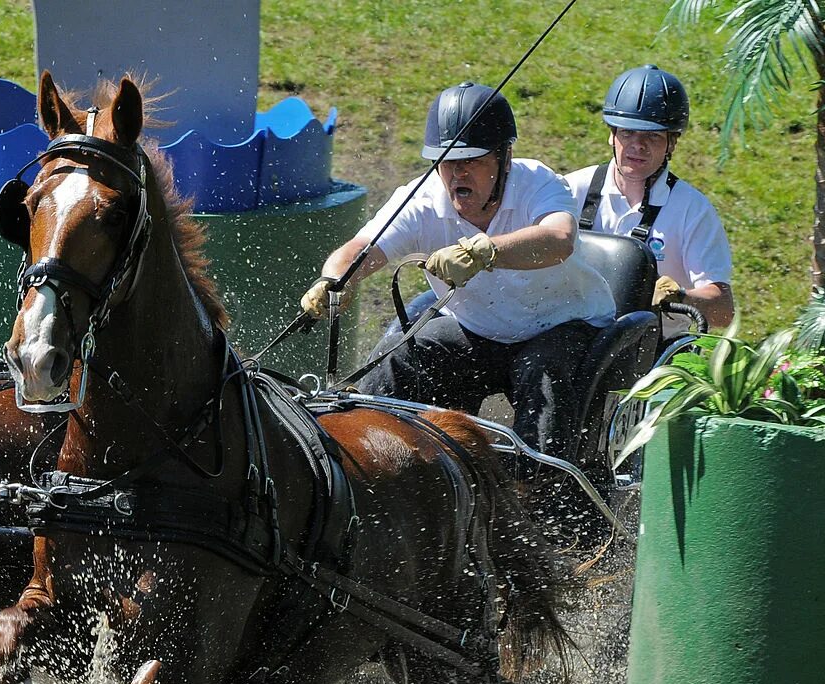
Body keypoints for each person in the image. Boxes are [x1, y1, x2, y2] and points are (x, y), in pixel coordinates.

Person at [300, 81, 612, 467]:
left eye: (473, 161)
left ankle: (540, 498)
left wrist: (486, 252)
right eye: (447, 161)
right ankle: (364, 469)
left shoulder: (539, 182)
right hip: (479, 329)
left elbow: (559, 239)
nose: (457, 173)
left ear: (504, 159)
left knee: (542, 371)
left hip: (564, 324)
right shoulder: (420, 200)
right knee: (401, 356)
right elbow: (359, 250)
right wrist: (334, 281)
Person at [564, 64, 734, 331]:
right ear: (612, 135)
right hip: (573, 336)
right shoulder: (572, 189)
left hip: (654, 348)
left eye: (652, 136)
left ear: (672, 143)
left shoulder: (693, 210)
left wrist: (679, 297)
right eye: (627, 132)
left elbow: (723, 310)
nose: (637, 145)